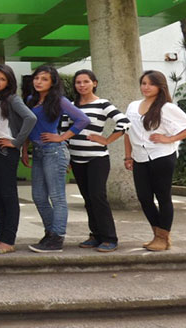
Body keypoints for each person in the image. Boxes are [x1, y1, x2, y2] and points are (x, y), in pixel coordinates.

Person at [124, 70, 186, 251]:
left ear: (160, 86)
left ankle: (162, 237)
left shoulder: (167, 108)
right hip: (139, 157)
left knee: (163, 197)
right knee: (144, 197)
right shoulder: (133, 106)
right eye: (143, 83)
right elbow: (127, 132)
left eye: (151, 84)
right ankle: (157, 233)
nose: (146, 87)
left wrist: (170, 138)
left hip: (162, 156)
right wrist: (128, 156)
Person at [22, 65, 89, 253]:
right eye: (37, 78)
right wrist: (24, 149)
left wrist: (62, 137)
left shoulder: (59, 100)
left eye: (44, 79)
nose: (39, 82)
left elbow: (83, 119)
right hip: (38, 152)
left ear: (52, 82)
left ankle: (57, 238)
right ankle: (50, 233)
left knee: (57, 197)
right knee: (38, 196)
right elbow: (28, 126)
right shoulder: (31, 100)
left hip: (54, 151)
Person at [62, 69, 131, 253]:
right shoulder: (70, 106)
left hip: (97, 159)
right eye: (78, 82)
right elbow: (63, 131)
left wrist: (107, 140)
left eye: (86, 81)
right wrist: (66, 157)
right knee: (88, 199)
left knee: (98, 197)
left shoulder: (102, 104)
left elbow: (124, 122)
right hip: (76, 159)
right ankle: (95, 235)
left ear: (95, 83)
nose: (82, 85)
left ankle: (109, 238)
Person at [0, 64, 36, 255]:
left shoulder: (11, 99)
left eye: (2, 79)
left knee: (8, 195)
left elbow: (30, 118)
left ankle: (8, 240)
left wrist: (16, 142)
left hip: (5, 150)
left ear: (8, 83)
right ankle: (0, 236)